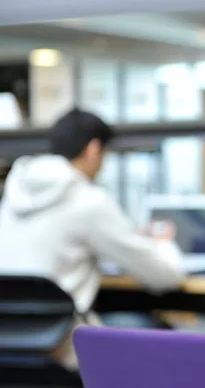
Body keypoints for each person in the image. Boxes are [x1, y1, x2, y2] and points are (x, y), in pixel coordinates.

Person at [0, 108, 186, 368]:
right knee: (156, 330)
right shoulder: (89, 201)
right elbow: (165, 276)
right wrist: (163, 243)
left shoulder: (12, 197)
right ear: (93, 149)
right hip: (62, 348)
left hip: (7, 346)